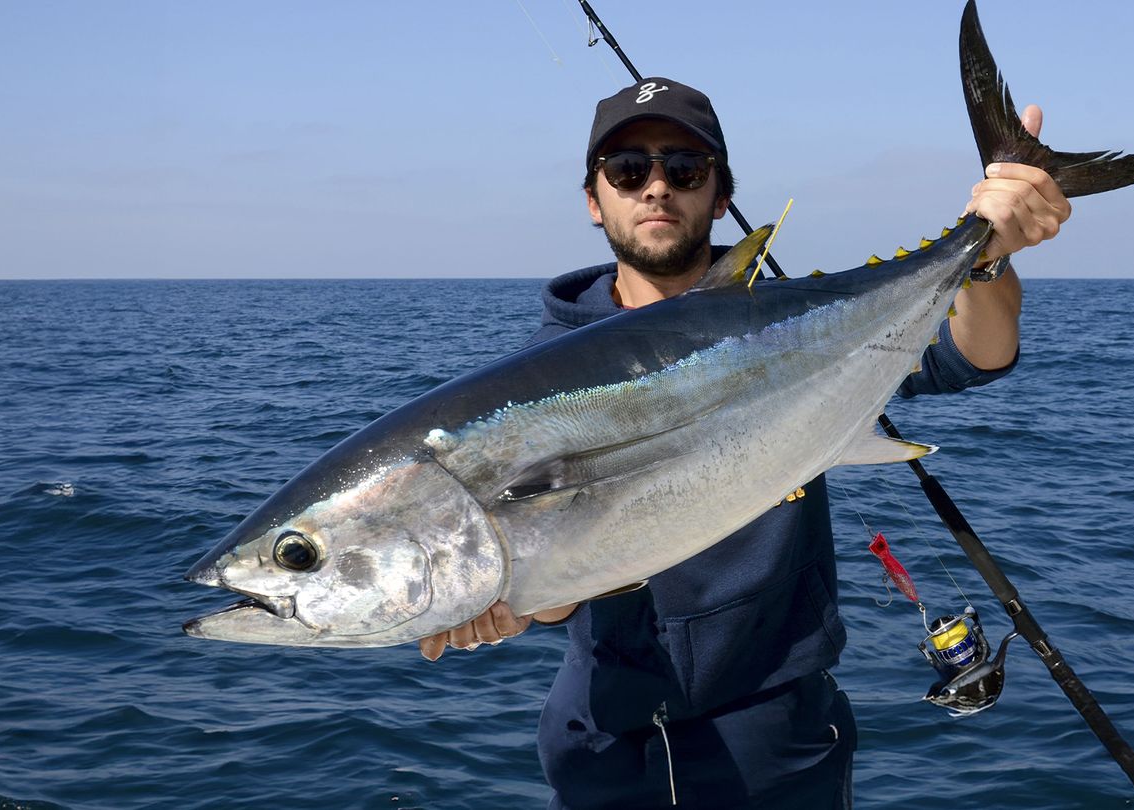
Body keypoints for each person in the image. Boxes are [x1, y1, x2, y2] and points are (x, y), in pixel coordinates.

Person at [418, 77, 1070, 808]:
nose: (656, 188)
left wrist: (985, 255)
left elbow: (973, 354)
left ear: (721, 196)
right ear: (594, 200)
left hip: (776, 728)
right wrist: (508, 595)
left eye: (684, 170)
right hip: (604, 738)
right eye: (629, 170)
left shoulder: (791, 322)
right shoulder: (533, 383)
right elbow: (559, 589)